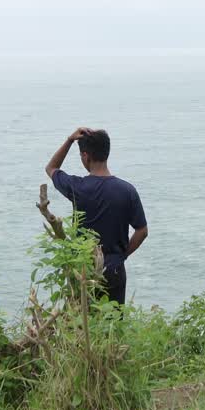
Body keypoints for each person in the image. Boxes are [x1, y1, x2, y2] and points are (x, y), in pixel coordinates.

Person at [44, 128, 148, 305]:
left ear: (85, 156)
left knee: (82, 324)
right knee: (112, 325)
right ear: (106, 152)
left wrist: (69, 140)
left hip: (83, 269)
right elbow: (142, 231)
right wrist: (122, 256)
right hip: (114, 270)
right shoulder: (127, 190)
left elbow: (51, 167)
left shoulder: (77, 187)